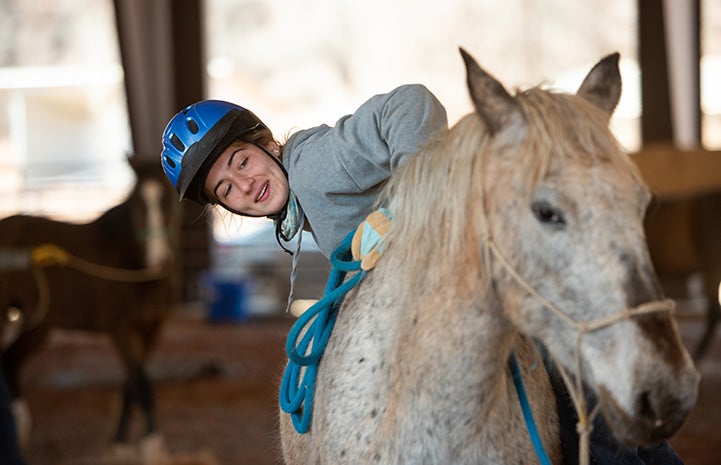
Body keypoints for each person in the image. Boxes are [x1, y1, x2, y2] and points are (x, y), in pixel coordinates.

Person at [160, 85, 684, 465]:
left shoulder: (316, 163)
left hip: (477, 258)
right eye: (225, 190)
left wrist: (412, 207)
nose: (243, 186)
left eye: (241, 162)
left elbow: (409, 103)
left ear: (267, 144)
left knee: (556, 354)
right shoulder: (303, 198)